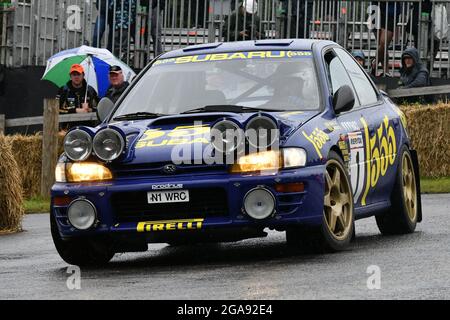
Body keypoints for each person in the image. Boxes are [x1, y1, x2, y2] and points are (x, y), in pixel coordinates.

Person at [370, 1, 402, 76]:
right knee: (382, 46)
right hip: (376, 8)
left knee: (383, 44)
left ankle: (375, 62)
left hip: (391, 9)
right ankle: (386, 71)